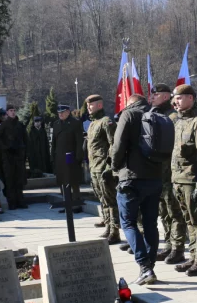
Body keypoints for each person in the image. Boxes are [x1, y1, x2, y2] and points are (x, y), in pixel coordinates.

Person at [111, 94, 163, 284]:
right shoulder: (157, 114)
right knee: (151, 224)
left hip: (131, 179)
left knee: (129, 223)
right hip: (155, 179)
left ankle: (144, 266)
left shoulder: (129, 115)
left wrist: (115, 167)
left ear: (130, 103)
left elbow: (118, 146)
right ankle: (150, 267)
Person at [170, 84, 197, 276]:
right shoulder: (178, 122)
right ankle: (193, 256)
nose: (176, 102)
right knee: (188, 220)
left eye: (179, 98)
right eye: (175, 98)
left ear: (190, 98)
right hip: (178, 179)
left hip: (191, 179)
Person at [151, 83, 187, 264]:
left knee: (174, 212)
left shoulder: (173, 118)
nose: (152, 98)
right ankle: (168, 244)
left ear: (166, 96)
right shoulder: (157, 115)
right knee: (163, 212)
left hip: (171, 173)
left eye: (156, 95)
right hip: (158, 172)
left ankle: (178, 248)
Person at [85, 95, 120, 244]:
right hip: (94, 168)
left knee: (111, 200)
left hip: (103, 168)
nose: (88, 108)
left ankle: (115, 231)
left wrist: (109, 166)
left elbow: (113, 144)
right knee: (103, 200)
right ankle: (108, 225)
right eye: (87, 106)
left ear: (99, 105)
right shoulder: (93, 124)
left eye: (90, 105)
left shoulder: (107, 121)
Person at [0, 105, 28, 209]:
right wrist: (5, 147)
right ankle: (12, 202)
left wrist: (24, 151)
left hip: (19, 156)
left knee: (19, 179)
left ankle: (20, 201)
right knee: (10, 180)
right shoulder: (3, 125)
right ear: (7, 113)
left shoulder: (20, 125)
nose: (13, 112)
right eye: (10, 111)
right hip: (8, 156)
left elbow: (26, 139)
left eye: (14, 110)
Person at [51, 104, 84, 210]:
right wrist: (53, 156)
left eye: (62, 112)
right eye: (59, 112)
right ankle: (66, 204)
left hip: (71, 156)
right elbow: (54, 143)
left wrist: (79, 156)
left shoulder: (75, 123)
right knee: (62, 181)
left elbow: (79, 141)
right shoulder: (56, 124)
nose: (60, 114)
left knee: (73, 180)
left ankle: (76, 204)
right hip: (60, 157)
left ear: (68, 112)